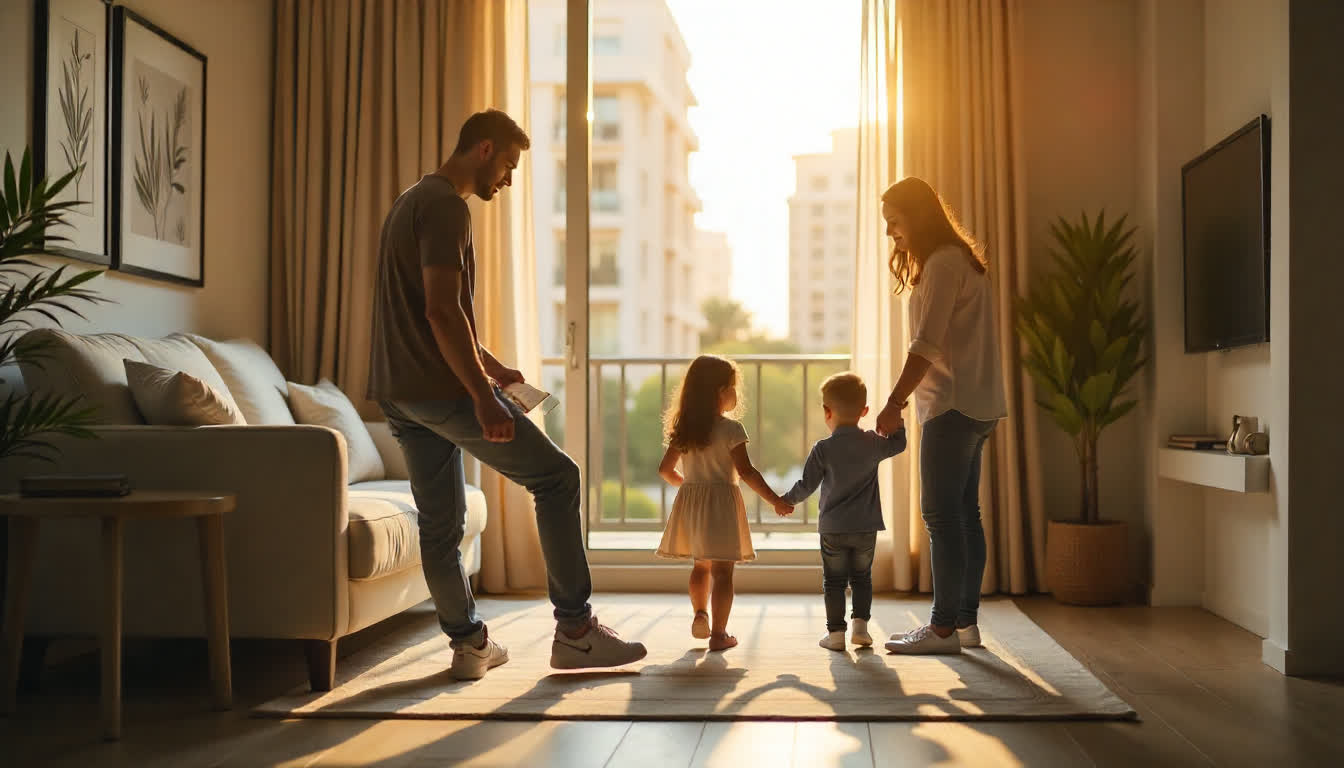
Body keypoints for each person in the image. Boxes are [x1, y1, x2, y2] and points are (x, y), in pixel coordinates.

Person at [367, 109, 647, 680]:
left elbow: (434, 314)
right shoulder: (447, 207)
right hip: (439, 389)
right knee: (557, 478)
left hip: (400, 391)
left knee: (440, 525)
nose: (510, 180)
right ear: (485, 149)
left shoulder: (410, 201)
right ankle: (576, 632)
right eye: (509, 166)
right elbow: (442, 311)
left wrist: (493, 369)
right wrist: (482, 396)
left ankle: (469, 644)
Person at [872, 177, 1007, 655]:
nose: (890, 232)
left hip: (952, 405)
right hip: (978, 404)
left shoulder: (943, 263)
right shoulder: (959, 260)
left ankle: (943, 628)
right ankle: (965, 624)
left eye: (894, 221)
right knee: (965, 515)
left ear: (917, 216)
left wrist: (894, 401)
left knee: (941, 517)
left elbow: (926, 345)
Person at [655, 355, 789, 651]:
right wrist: (775, 500)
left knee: (700, 566)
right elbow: (747, 472)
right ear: (720, 391)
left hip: (693, 503)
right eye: (733, 387)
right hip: (722, 506)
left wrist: (688, 485)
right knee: (723, 572)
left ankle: (700, 614)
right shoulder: (732, 429)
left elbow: (665, 470)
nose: (736, 394)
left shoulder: (685, 429)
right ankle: (719, 634)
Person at [777, 372, 907, 651]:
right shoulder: (872, 443)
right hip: (866, 526)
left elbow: (806, 485)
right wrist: (898, 422)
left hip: (833, 528)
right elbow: (899, 444)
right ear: (865, 411)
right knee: (862, 577)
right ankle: (861, 628)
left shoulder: (823, 449)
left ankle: (835, 634)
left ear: (827, 411)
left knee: (834, 581)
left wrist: (785, 501)